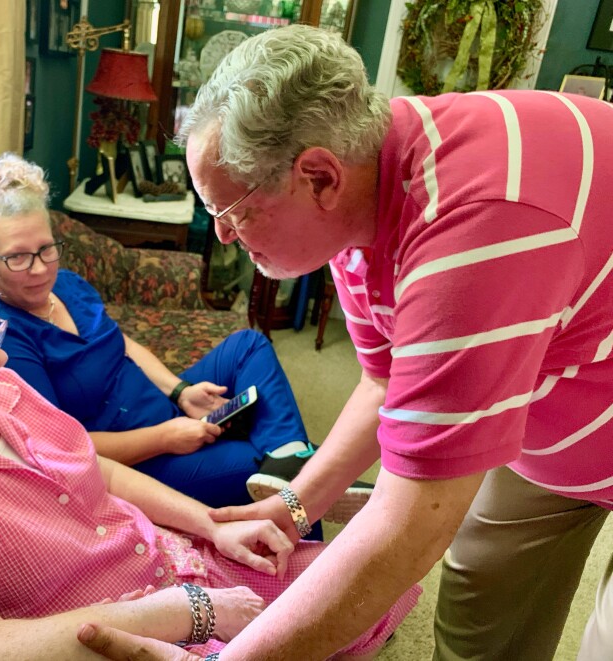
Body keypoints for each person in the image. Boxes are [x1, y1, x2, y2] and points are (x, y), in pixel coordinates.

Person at [76, 23, 613, 661]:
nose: (223, 236)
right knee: (481, 602)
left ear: (320, 178)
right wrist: (296, 506)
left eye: (234, 211)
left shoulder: (474, 232)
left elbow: (409, 523)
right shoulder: (361, 182)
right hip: (559, 417)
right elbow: (384, 383)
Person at [0, 239, 420, 660]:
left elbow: (94, 466)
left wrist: (212, 527)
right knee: (329, 610)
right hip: (132, 631)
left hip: (179, 560)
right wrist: (190, 611)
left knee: (367, 584)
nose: (2, 361)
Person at [0, 153, 372, 513]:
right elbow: (62, 447)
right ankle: (303, 489)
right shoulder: (5, 342)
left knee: (249, 346)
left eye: (46, 249)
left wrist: (179, 391)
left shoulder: (67, 284)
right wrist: (166, 438)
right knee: (261, 468)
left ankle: (292, 460)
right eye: (18, 258)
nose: (40, 268)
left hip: (162, 409)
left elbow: (123, 344)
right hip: (139, 460)